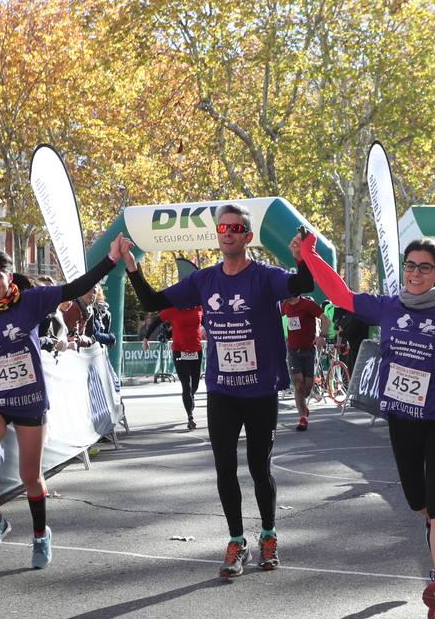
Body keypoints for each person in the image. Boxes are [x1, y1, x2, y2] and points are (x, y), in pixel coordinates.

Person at [299, 232, 435, 619]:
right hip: (402, 420)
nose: (416, 273)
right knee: (418, 502)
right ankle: (433, 534)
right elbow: (339, 295)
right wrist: (309, 254)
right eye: (411, 265)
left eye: (425, 267)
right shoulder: (387, 307)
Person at [120, 205, 312, 578]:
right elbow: (153, 302)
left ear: (247, 236)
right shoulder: (204, 280)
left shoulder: (265, 276)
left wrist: (300, 258)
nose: (227, 232)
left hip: (259, 392)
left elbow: (302, 285)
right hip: (223, 390)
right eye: (222, 227)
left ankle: (268, 535)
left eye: (236, 227)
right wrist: (132, 267)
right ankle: (236, 541)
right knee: (224, 467)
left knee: (259, 467)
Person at [0, 245, 125, 569]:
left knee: (30, 476)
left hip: (29, 400)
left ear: (8, 277)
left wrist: (111, 259)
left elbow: (75, 288)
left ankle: (41, 534)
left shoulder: (30, 302)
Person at [147, 303, 205, 429]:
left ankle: (190, 397)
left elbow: (208, 323)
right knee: (186, 385)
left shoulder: (200, 308)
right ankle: (190, 417)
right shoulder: (173, 309)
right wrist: (146, 338)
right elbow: (156, 321)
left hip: (196, 351)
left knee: (194, 384)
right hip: (180, 351)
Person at [282, 290, 328, 431]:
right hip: (293, 350)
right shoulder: (284, 305)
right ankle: (302, 418)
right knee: (298, 385)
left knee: (307, 388)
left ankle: (303, 406)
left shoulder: (308, 304)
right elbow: (270, 317)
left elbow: (325, 319)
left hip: (308, 350)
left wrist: (322, 336)